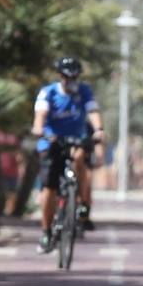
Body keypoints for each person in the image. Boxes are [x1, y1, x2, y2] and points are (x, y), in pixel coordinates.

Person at [31, 56, 104, 252]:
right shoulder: (48, 93)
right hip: (51, 141)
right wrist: (40, 130)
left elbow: (93, 111)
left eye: (74, 77)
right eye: (66, 77)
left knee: (80, 158)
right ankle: (46, 232)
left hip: (76, 139)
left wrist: (99, 129)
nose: (70, 81)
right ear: (60, 76)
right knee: (49, 187)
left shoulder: (84, 92)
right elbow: (40, 119)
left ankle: (83, 204)